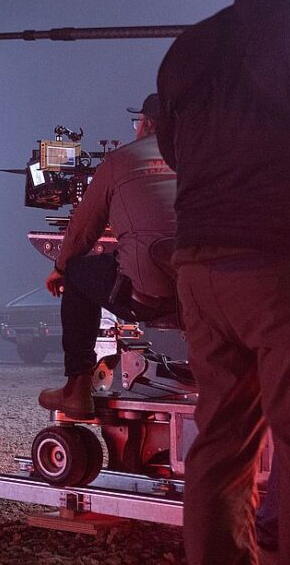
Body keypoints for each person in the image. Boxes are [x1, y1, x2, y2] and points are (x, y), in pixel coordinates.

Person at [156, 0, 290, 565]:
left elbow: (174, 153)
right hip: (283, 268)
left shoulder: (189, 45)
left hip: (199, 270)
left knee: (221, 443)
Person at [38, 96, 177, 418]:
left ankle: (77, 388)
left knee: (77, 271)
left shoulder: (120, 161)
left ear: (147, 124)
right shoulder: (203, 158)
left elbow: (83, 229)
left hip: (149, 293)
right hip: (203, 293)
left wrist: (60, 267)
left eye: (137, 122)